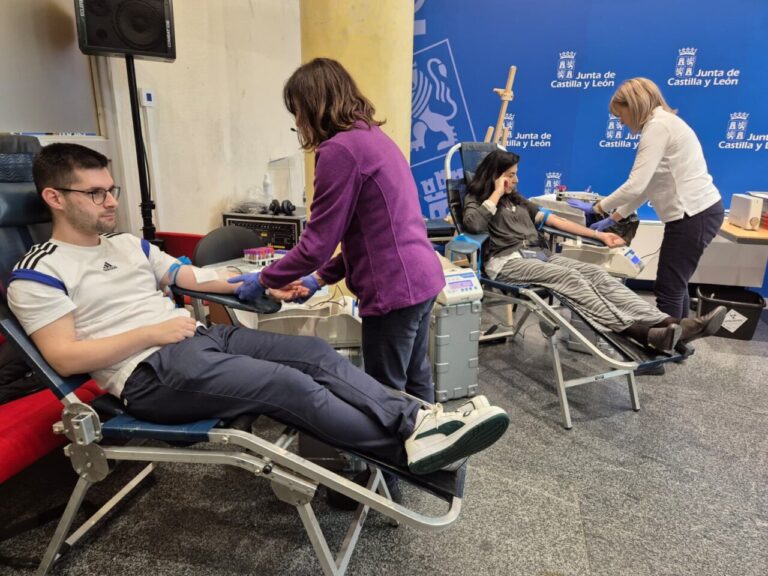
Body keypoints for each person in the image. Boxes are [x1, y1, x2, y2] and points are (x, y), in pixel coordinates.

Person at [6, 143, 510, 477]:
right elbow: (65, 356)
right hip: (146, 374)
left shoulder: (127, 244)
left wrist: (264, 283)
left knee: (314, 354)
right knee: (286, 385)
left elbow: (192, 278)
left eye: (111, 190)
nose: (110, 202)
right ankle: (406, 453)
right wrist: (153, 333)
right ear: (54, 197)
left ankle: (419, 422)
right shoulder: (38, 271)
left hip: (194, 340)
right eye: (95, 193)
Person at [230, 58, 445, 408]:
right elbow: (373, 237)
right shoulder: (374, 138)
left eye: (297, 111)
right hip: (422, 279)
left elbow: (315, 246)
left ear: (313, 106)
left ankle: (393, 446)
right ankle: (436, 441)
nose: (298, 123)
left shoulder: (339, 150)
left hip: (394, 289)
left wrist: (264, 279)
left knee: (385, 396)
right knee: (415, 380)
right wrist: (318, 279)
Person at [462, 149, 726, 352]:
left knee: (596, 274)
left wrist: (600, 234)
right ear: (495, 176)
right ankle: (639, 331)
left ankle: (669, 323)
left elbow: (557, 221)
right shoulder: (477, 199)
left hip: (540, 256)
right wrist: (495, 194)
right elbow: (473, 225)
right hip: (507, 263)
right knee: (570, 279)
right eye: (510, 175)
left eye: (515, 174)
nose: (515, 180)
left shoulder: (519, 201)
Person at [588, 78, 725, 320]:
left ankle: (664, 341)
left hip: (692, 214)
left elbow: (636, 184)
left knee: (668, 288)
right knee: (676, 284)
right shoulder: (664, 123)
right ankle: (681, 337)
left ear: (634, 105)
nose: (621, 122)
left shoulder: (657, 127)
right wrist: (615, 216)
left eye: (621, 115)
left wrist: (599, 207)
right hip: (698, 212)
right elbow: (648, 185)